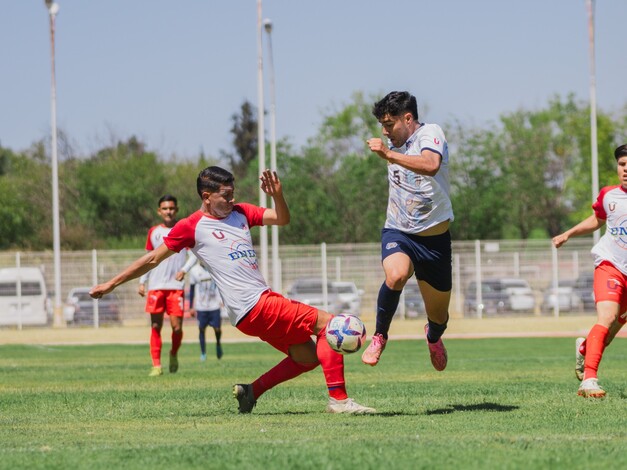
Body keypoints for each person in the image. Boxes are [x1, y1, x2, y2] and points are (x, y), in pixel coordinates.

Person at [90, 167, 375, 414]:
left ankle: (251, 392)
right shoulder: (191, 226)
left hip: (251, 312)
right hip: (255, 305)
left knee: (308, 357)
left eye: (232, 192)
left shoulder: (240, 213)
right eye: (225, 195)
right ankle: (339, 400)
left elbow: (281, 219)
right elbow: (152, 258)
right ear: (206, 197)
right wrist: (111, 284)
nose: (232, 199)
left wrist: (277, 194)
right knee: (330, 325)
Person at [361, 91, 453, 371]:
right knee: (397, 274)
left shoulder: (430, 134)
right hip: (398, 232)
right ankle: (379, 336)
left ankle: (433, 336)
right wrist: (390, 150)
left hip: (435, 242)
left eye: (389, 124)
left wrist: (388, 154)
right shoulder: (393, 144)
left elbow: (431, 165)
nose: (385, 131)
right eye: (382, 126)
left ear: (408, 118)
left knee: (439, 317)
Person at [553, 144, 627, 398]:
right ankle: (589, 380)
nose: (625, 170)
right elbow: (598, 219)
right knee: (605, 319)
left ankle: (585, 348)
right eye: (622, 164)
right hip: (610, 265)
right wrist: (569, 233)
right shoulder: (609, 195)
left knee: (610, 331)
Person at [138, 195, 197, 377]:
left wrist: (184, 270)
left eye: (171, 208)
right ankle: (156, 365)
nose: (168, 211)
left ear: (176, 210)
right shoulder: (154, 232)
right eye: (164, 208)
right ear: (159, 211)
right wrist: (142, 281)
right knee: (155, 326)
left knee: (176, 327)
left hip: (175, 286)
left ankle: (173, 353)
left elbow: (195, 255)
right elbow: (149, 258)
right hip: (156, 286)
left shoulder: (183, 229)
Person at [188, 261, 224, 361]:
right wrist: (191, 306)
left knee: (217, 329)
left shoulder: (214, 267)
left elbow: (220, 284)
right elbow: (192, 289)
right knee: (201, 329)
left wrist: (222, 299)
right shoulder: (194, 271)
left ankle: (218, 344)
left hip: (214, 305)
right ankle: (203, 353)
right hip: (201, 306)